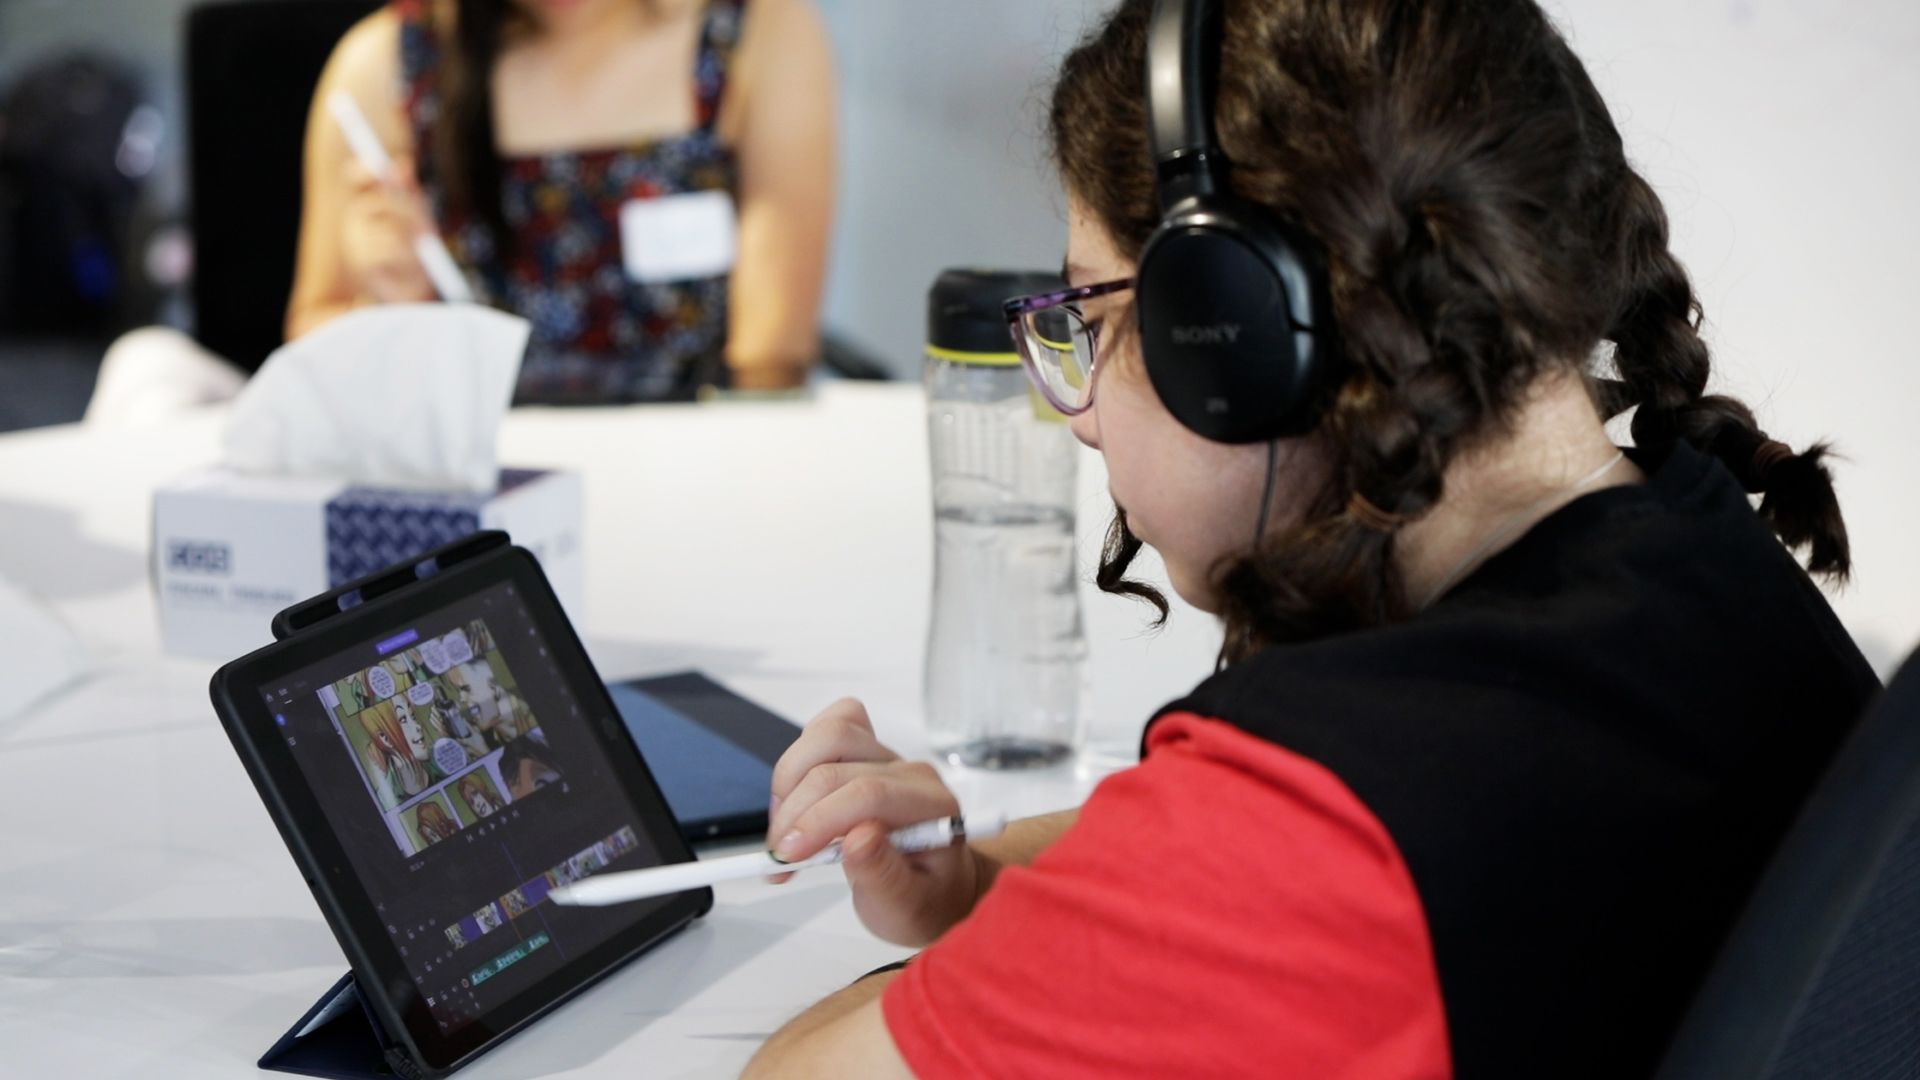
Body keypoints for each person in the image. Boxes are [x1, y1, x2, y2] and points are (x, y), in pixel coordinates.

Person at [743, 1, 1880, 1077]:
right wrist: (992, 887)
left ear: (1237, 333)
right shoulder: (1702, 562)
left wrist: (996, 960)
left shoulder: (1308, 835)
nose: (1074, 412)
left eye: (1087, 316)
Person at [287, 0, 836, 402]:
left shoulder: (755, 34)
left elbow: (771, 355)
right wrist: (386, 311)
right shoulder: (383, 68)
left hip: (699, 464)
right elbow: (311, 338)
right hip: (478, 482)